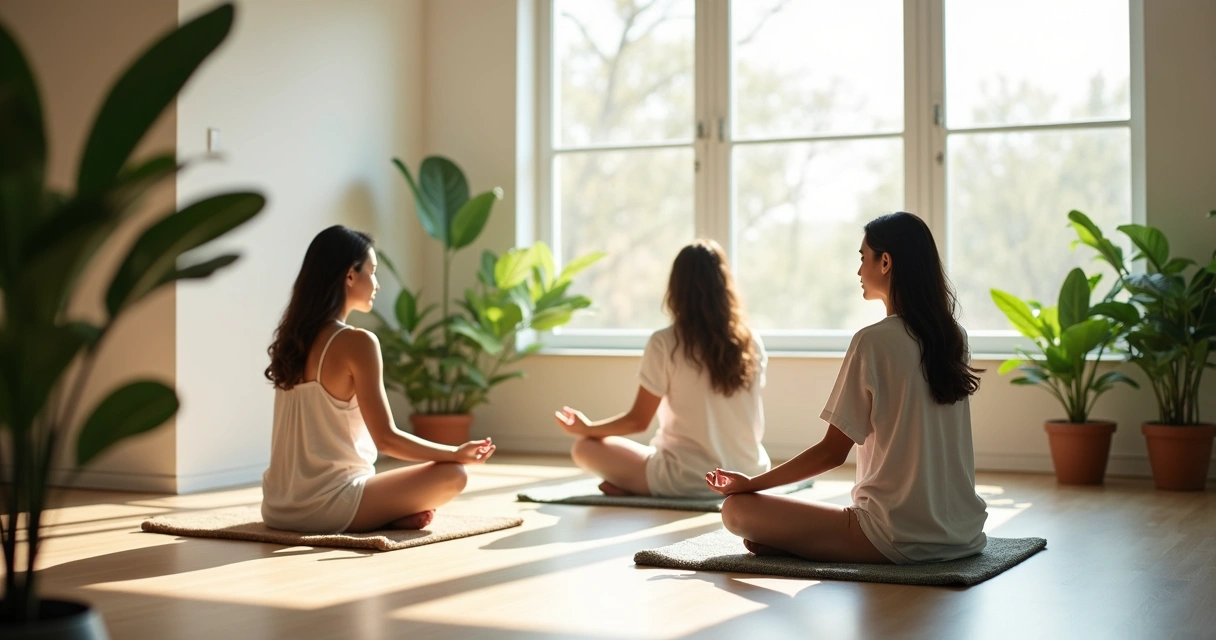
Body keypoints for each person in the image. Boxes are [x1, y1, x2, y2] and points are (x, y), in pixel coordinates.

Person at [706, 212, 988, 564]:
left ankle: (804, 543)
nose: (858, 271)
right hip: (964, 535)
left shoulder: (873, 342)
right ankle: (805, 542)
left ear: (885, 262)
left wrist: (749, 484)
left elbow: (831, 452)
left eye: (862, 258)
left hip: (891, 537)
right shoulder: (954, 337)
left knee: (736, 509)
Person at [261, 225, 495, 533]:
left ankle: (384, 513)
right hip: (328, 508)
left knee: (393, 480)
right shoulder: (358, 342)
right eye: (372, 271)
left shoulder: (292, 342)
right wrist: (454, 452)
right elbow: (386, 439)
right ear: (349, 276)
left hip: (277, 509)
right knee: (454, 474)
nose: (377, 283)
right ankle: (380, 514)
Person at [554, 239, 770, 497]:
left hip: (686, 479)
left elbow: (637, 421)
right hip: (750, 475)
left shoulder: (665, 343)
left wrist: (586, 428)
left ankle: (634, 486)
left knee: (584, 448)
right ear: (725, 287)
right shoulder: (751, 342)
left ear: (676, 289)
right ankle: (633, 483)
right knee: (653, 454)